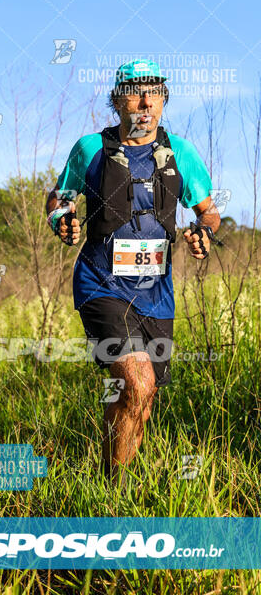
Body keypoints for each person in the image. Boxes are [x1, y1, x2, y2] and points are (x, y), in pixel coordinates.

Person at [46, 59, 221, 483]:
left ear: (163, 100)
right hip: (101, 284)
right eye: (134, 92)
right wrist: (61, 221)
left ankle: (108, 476)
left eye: (154, 92)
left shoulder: (180, 152)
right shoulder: (90, 148)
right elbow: (59, 200)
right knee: (137, 381)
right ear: (116, 99)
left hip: (156, 293)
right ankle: (114, 494)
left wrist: (203, 232)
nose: (144, 102)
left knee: (141, 396)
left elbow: (209, 212)